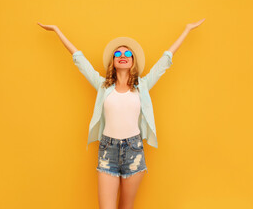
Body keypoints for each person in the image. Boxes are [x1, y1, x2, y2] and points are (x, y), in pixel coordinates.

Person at [37, 19, 205, 209]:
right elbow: (79, 59)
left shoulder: (142, 86)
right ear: (113, 61)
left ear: (133, 61)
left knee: (126, 207)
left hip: (134, 151)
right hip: (108, 150)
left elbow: (165, 60)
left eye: (127, 53)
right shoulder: (103, 86)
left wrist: (186, 30)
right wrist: (57, 30)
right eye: (118, 53)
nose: (122, 55)